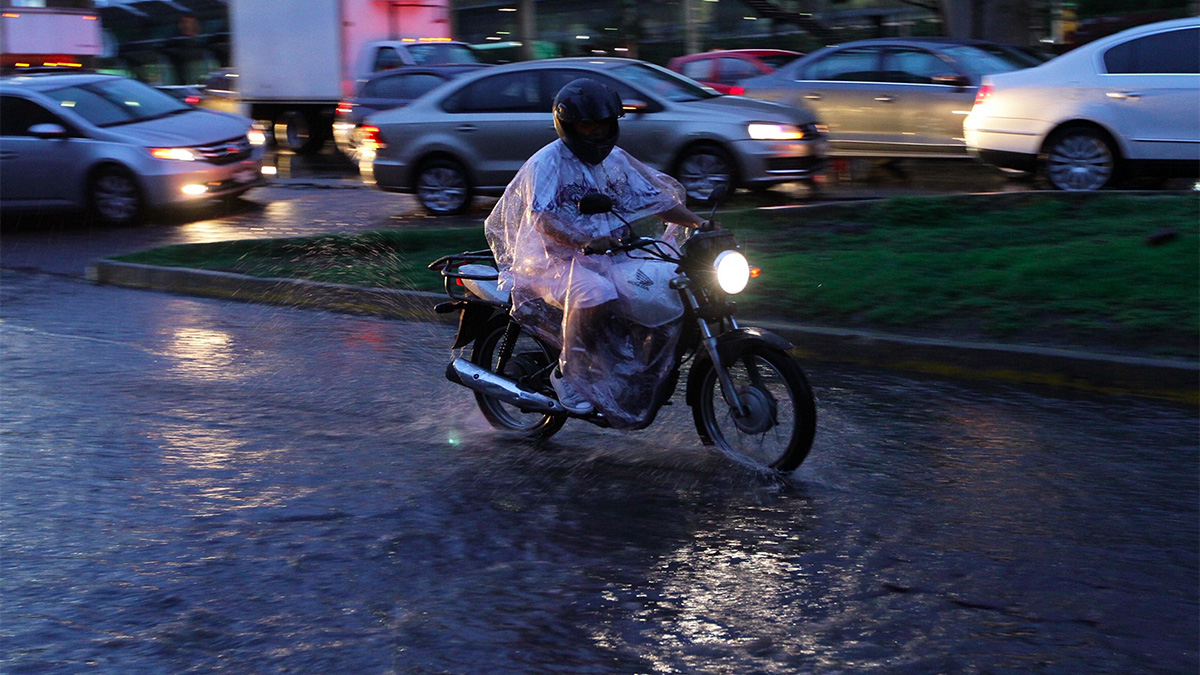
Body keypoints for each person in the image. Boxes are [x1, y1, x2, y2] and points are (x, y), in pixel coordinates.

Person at [484, 78, 711, 427]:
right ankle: (568, 375)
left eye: (603, 124)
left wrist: (701, 225)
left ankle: (626, 367)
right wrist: (582, 241)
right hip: (552, 261)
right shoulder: (549, 161)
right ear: (569, 125)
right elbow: (541, 217)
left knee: (663, 282)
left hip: (608, 254)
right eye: (588, 125)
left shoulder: (615, 160)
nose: (596, 132)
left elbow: (657, 201)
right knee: (596, 292)